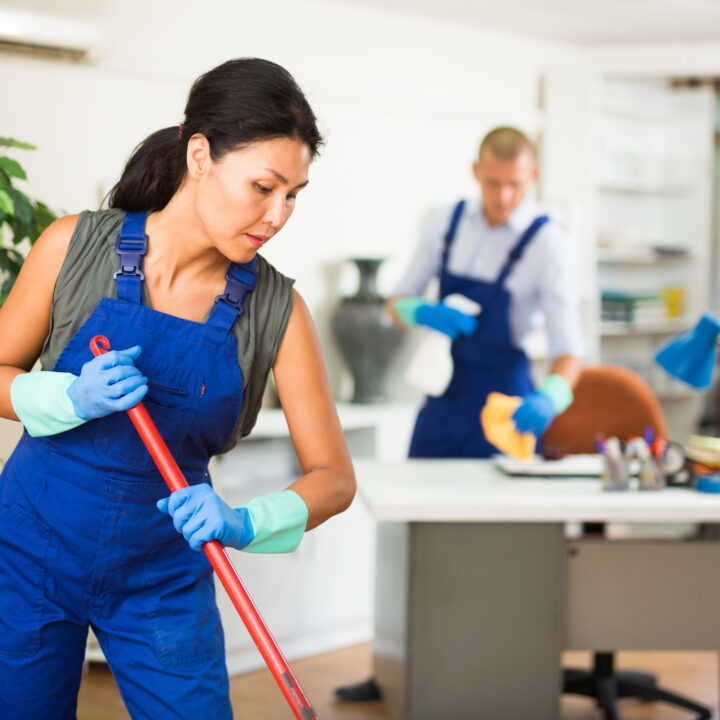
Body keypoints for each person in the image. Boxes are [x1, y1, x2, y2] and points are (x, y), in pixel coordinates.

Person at [0, 58, 355, 720]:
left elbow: (334, 477)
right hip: (27, 556)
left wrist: (245, 520)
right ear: (200, 155)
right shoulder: (73, 248)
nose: (278, 215)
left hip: (163, 578)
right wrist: (65, 397)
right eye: (263, 186)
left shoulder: (278, 312)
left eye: (293, 194)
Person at [335, 126, 583, 702]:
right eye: (493, 183)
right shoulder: (445, 223)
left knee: (505, 547)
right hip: (445, 397)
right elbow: (395, 305)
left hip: (508, 401)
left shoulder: (551, 244)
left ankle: (500, 673)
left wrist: (552, 399)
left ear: (533, 178)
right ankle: (394, 670)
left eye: (515, 186)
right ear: (476, 172)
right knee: (413, 535)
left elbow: (573, 351)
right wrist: (422, 310)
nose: (503, 198)